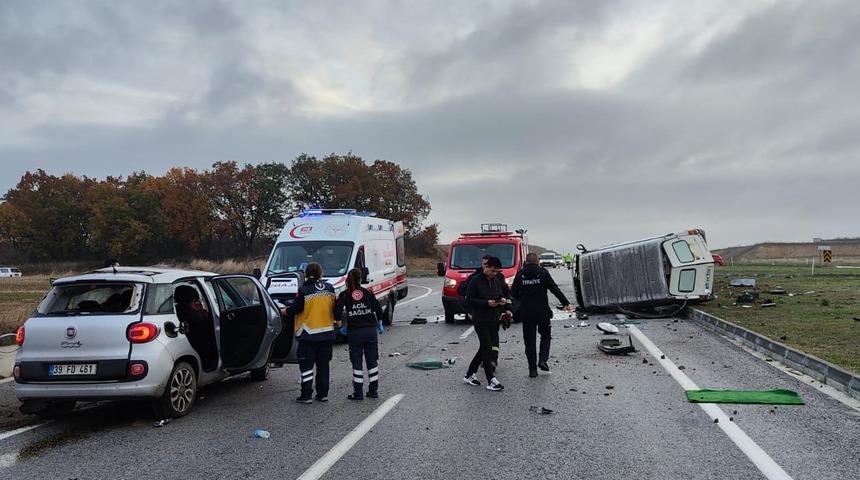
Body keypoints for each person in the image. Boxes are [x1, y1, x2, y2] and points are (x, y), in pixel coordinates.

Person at [511, 253, 573, 377]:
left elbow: (513, 293)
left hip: (527, 312)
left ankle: (532, 370)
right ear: (538, 261)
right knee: (545, 336)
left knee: (529, 341)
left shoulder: (520, 274)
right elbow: (554, 289)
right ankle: (543, 360)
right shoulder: (543, 273)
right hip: (542, 311)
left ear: (526, 262)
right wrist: (565, 303)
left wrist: (523, 297)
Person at [287, 262, 337, 404]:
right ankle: (322, 394)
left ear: (305, 274)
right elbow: (334, 307)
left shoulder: (304, 290)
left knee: (307, 367)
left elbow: (296, 309)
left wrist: (285, 311)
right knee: (323, 366)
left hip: (308, 335)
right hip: (327, 334)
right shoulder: (329, 288)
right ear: (321, 273)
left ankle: (306, 395)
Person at [463, 256, 511, 391]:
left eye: (496, 272)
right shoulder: (475, 281)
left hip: (493, 318)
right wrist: (486, 303)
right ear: (486, 267)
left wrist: (501, 301)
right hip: (480, 318)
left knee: (484, 347)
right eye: (492, 271)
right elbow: (469, 300)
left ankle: (469, 374)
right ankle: (491, 380)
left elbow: (500, 294)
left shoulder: (496, 280)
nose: (494, 274)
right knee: (487, 347)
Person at [336, 268, 384, 400]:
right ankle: (373, 391)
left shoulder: (345, 294)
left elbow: (337, 310)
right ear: (360, 279)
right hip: (370, 331)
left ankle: (358, 393)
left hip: (355, 332)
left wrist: (340, 326)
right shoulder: (367, 292)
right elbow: (378, 309)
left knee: (357, 363)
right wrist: (379, 322)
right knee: (372, 361)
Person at [174, 285, 218, 371]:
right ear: (192, 299)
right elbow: (206, 325)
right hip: (200, 345)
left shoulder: (177, 310)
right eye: (196, 299)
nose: (198, 301)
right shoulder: (193, 313)